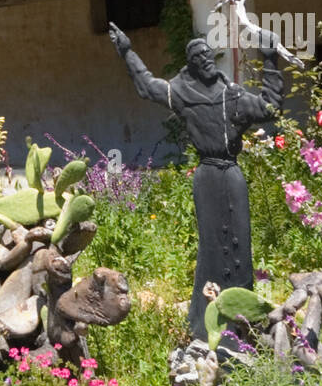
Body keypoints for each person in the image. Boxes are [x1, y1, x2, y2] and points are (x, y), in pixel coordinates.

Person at [108, 20, 284, 340]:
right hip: (206, 178)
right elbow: (148, 86)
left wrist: (271, 59)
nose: (204, 60)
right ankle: (205, 326)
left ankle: (245, 323)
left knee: (240, 245)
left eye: (208, 55)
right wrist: (127, 51)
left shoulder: (234, 97)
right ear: (191, 65)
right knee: (212, 248)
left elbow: (270, 106)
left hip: (231, 174)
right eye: (197, 57)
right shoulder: (183, 95)